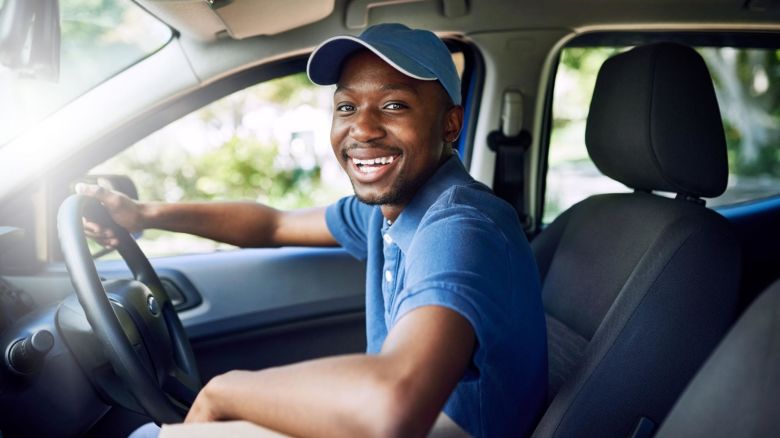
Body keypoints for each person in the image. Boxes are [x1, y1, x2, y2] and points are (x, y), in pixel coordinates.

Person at [80, 23, 547, 438]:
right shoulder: (391, 207)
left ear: (450, 125)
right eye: (346, 106)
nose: (362, 128)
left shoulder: (461, 227)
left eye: (393, 104)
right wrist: (143, 215)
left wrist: (224, 393)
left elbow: (392, 408)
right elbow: (272, 224)